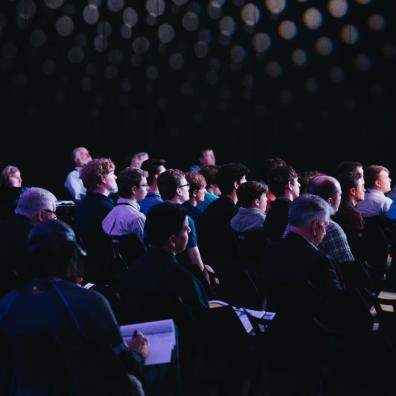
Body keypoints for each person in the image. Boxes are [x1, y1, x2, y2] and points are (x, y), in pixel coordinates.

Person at [0, 219, 148, 396]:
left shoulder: (8, 303)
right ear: (73, 257)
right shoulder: (89, 302)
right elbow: (120, 369)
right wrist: (138, 353)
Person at [0, 187, 57, 297]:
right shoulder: (41, 239)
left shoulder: (3, 227)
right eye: (54, 212)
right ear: (41, 215)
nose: (55, 217)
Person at [74, 158, 117, 282]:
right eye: (112, 174)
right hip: (107, 272)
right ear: (103, 179)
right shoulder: (106, 207)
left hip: (89, 268)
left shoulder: (81, 204)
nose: (115, 177)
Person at [103, 168, 149, 244]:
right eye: (144, 185)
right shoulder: (137, 218)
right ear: (134, 189)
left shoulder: (108, 216)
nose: (148, 187)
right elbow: (147, 247)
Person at [264, 164, 300, 242]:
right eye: (297, 181)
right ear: (290, 185)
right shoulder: (294, 212)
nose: (299, 185)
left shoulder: (271, 211)